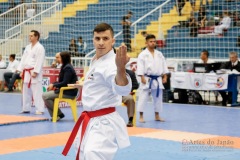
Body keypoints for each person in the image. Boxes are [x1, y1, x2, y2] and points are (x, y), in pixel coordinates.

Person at [62, 23, 132, 160]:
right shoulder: (96, 59)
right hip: (90, 119)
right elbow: (101, 81)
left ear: (113, 41)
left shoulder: (112, 63)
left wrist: (121, 68)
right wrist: (85, 84)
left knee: (93, 154)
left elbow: (122, 88)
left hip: (103, 122)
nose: (101, 42)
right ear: (93, 39)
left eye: (105, 39)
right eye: (97, 38)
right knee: (82, 153)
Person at [137, 34, 169, 123]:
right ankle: (141, 116)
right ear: (146, 43)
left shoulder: (159, 54)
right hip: (147, 78)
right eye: (151, 41)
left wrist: (165, 76)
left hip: (157, 79)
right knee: (143, 97)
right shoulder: (142, 55)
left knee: (158, 98)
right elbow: (140, 67)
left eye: (154, 41)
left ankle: (157, 116)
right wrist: (141, 77)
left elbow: (164, 66)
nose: (153, 43)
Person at [42, 51, 78, 120]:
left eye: (59, 57)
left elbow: (65, 83)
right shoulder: (65, 66)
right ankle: (56, 115)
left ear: (63, 58)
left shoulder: (68, 68)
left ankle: (58, 114)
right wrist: (53, 84)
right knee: (48, 96)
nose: (57, 59)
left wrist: (53, 85)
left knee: (44, 96)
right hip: (66, 91)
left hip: (69, 92)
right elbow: (61, 82)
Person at [17, 30, 45, 114]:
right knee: (25, 91)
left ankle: (40, 109)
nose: (30, 37)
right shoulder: (27, 47)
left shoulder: (40, 47)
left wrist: (36, 71)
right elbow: (23, 59)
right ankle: (26, 108)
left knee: (37, 91)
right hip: (26, 72)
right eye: (29, 36)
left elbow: (40, 60)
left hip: (33, 72)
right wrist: (21, 70)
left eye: (31, 36)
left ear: (36, 37)